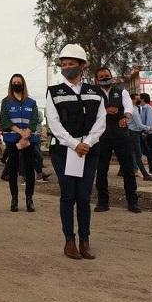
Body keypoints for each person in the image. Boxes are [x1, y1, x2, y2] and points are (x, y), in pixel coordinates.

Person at [46, 44, 106, 260]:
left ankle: (85, 241)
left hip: (89, 151)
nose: (67, 67)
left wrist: (87, 143)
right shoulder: (54, 92)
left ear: (82, 66)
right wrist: (73, 144)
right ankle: (69, 241)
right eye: (63, 64)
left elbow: (101, 121)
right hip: (64, 151)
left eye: (71, 64)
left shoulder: (95, 92)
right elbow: (53, 123)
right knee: (68, 196)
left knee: (84, 196)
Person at [93, 66, 146, 215]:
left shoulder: (121, 91)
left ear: (111, 76)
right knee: (101, 170)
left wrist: (126, 116)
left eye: (107, 75)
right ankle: (103, 202)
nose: (104, 78)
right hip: (101, 136)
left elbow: (129, 106)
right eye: (101, 76)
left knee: (128, 169)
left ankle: (133, 202)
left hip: (121, 135)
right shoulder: (94, 94)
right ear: (96, 80)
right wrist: (105, 111)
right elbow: (91, 111)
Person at [0, 74, 40, 213]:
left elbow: (35, 119)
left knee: (29, 170)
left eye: (19, 82)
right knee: (13, 169)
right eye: (14, 82)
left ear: (23, 84)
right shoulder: (6, 102)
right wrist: (20, 132)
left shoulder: (31, 102)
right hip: (12, 140)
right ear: (11, 85)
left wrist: (27, 133)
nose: (17, 84)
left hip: (29, 140)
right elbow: (4, 120)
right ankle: (14, 199)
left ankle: (29, 199)